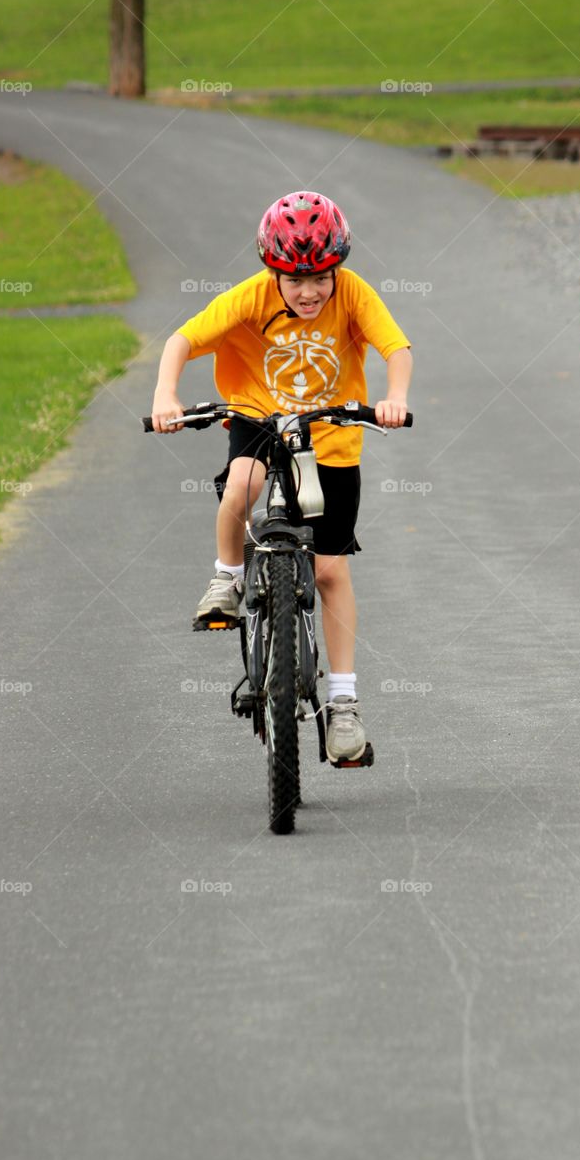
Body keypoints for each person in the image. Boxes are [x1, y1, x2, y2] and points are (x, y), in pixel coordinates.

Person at [150, 191, 412, 761]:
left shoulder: (355, 294)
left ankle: (343, 704)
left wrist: (395, 397)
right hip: (258, 419)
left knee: (330, 572)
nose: (310, 290)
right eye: (294, 279)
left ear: (336, 266)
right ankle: (226, 578)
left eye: (321, 276)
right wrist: (166, 394)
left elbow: (396, 348)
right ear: (272, 269)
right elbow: (182, 340)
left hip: (333, 438)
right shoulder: (250, 297)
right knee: (243, 486)